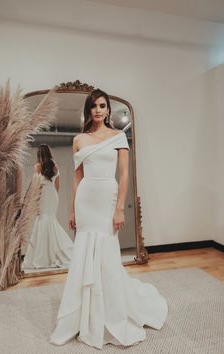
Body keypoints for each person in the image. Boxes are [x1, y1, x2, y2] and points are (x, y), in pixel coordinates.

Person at [50, 89, 168, 349]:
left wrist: (119, 209)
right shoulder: (79, 139)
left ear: (108, 109)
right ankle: (82, 315)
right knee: (83, 252)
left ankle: (110, 312)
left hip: (106, 198)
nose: (98, 110)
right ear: (88, 109)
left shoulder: (118, 137)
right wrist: (71, 210)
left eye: (102, 105)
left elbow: (124, 175)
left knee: (106, 252)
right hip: (85, 200)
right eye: (93, 106)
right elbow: (77, 177)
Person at [23, 144, 73, 269]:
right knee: (50, 221)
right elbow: (57, 185)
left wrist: (36, 201)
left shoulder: (38, 166)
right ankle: (54, 253)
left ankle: (42, 258)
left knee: (43, 222)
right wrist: (53, 196)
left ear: (40, 154)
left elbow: (36, 186)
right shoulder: (55, 166)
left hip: (43, 196)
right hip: (52, 196)